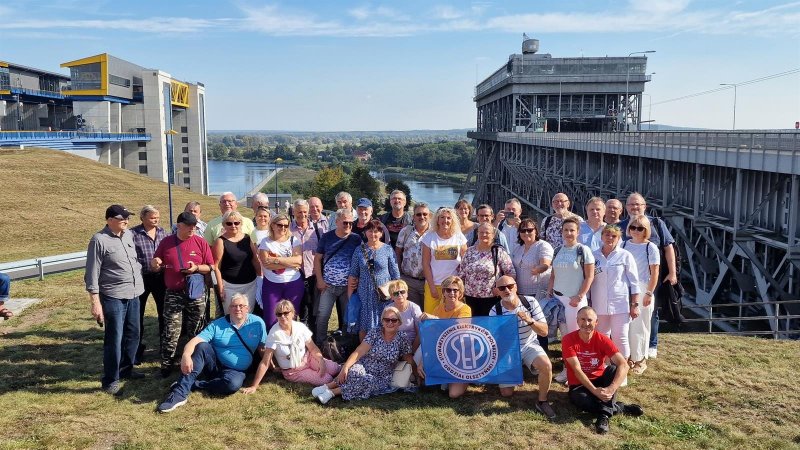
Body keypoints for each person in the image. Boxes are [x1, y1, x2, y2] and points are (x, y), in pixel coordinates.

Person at [156, 293, 267, 412]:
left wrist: (272, 365)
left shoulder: (258, 323)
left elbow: (263, 348)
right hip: (214, 365)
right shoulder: (217, 324)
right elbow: (195, 341)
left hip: (236, 371)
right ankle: (179, 393)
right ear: (229, 308)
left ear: (247, 308)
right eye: (234, 306)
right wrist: (186, 355)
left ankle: (195, 384)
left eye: (241, 306)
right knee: (201, 346)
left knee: (232, 385)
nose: (238, 309)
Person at [85, 204, 145, 394]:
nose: (126, 221)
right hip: (113, 296)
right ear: (109, 220)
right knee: (115, 338)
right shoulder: (99, 240)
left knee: (134, 334)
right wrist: (95, 302)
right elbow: (92, 273)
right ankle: (110, 379)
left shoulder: (128, 235)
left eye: (127, 218)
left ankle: (127, 369)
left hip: (134, 293)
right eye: (121, 218)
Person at [151, 211, 215, 377]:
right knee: (171, 330)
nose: (192, 229)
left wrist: (196, 268)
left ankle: (196, 363)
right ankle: (166, 365)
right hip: (174, 293)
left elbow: (210, 266)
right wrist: (156, 263)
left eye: (194, 226)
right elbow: (156, 263)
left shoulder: (200, 242)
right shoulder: (167, 242)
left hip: (196, 293)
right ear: (179, 226)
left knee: (197, 330)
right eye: (189, 226)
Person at [563, 307, 644, 434]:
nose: (586, 323)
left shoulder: (603, 339)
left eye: (590, 320)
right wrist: (594, 391)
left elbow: (624, 365)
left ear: (596, 322)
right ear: (577, 321)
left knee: (612, 369)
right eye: (582, 319)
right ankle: (620, 408)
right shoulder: (568, 339)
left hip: (600, 381)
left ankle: (603, 416)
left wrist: (611, 388)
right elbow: (577, 370)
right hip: (579, 385)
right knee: (579, 399)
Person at [619, 192, 678, 359]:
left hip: (650, 278)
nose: (635, 207)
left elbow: (668, 247)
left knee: (651, 313)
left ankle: (651, 345)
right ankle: (630, 349)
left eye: (638, 204)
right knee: (629, 314)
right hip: (628, 282)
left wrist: (672, 272)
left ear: (645, 206)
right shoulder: (621, 225)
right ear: (626, 207)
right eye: (631, 205)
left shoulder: (657, 223)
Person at [312, 306, 413, 404]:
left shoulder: (402, 338)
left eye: (394, 320)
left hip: (381, 376)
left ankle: (332, 392)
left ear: (399, 322)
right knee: (354, 373)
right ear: (382, 322)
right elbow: (359, 351)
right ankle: (329, 386)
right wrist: (345, 367)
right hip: (364, 365)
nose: (390, 322)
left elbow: (408, 357)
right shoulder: (375, 333)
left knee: (367, 381)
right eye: (387, 320)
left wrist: (417, 375)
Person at [488, 276, 556, 420]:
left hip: (529, 344)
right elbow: (492, 339)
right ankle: (514, 372)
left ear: (516, 287)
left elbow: (544, 331)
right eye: (502, 288)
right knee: (507, 393)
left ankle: (542, 401)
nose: (507, 290)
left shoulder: (530, 302)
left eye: (510, 286)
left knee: (547, 366)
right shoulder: (495, 310)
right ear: (497, 292)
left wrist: (530, 320)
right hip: (508, 350)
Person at [243, 300, 339, 392]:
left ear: (293, 313)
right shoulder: (274, 334)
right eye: (279, 314)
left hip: (308, 358)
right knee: (327, 379)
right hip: (293, 371)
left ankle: (348, 373)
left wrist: (321, 360)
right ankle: (340, 386)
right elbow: (265, 362)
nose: (283, 316)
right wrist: (254, 386)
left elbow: (313, 348)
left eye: (286, 313)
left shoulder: (300, 327)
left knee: (334, 368)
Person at [548, 216, 595, 383]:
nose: (568, 233)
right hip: (558, 299)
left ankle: (576, 372)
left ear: (577, 232)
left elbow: (589, 277)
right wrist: (549, 290)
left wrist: (580, 296)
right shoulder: (557, 250)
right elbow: (553, 274)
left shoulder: (583, 250)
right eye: (566, 230)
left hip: (574, 301)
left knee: (576, 337)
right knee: (564, 336)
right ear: (561, 232)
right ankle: (567, 369)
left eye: (572, 230)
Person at [590, 224, 641, 370]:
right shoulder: (593, 255)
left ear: (619, 238)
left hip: (620, 304)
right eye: (607, 235)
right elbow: (588, 279)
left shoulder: (625, 255)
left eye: (614, 236)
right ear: (602, 237)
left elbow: (634, 282)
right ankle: (604, 368)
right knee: (602, 337)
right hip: (598, 304)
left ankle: (622, 369)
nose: (610, 238)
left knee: (620, 337)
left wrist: (635, 304)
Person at [416, 275, 471, 399]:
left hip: (458, 351)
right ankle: (421, 376)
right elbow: (432, 337)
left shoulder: (465, 309)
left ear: (460, 293)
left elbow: (457, 329)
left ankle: (467, 378)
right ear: (443, 292)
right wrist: (422, 362)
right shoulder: (438, 308)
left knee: (453, 394)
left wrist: (435, 319)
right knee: (418, 356)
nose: (452, 293)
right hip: (440, 347)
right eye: (448, 290)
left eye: (455, 290)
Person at [314, 209, 363, 346]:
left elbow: (361, 261)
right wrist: (320, 280)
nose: (348, 225)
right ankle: (320, 344)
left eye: (350, 223)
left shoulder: (356, 239)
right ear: (336, 222)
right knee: (323, 316)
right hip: (328, 286)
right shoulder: (327, 237)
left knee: (348, 317)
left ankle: (345, 345)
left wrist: (357, 279)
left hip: (348, 287)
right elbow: (317, 259)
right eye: (345, 223)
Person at [348, 219, 401, 340]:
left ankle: (383, 351)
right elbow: (353, 274)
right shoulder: (359, 250)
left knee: (385, 322)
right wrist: (351, 298)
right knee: (364, 325)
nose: (373, 234)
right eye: (370, 231)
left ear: (381, 233)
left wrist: (395, 295)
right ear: (365, 233)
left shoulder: (388, 249)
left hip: (384, 294)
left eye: (376, 231)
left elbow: (396, 275)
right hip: (364, 293)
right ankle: (364, 353)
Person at [130, 205, 168, 364]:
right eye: (152, 217)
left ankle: (165, 349)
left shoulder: (163, 232)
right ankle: (136, 351)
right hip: (141, 278)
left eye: (157, 217)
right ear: (143, 218)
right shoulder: (133, 234)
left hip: (161, 278)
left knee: (164, 314)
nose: (156, 220)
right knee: (137, 315)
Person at [623, 216, 660, 374]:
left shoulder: (650, 247)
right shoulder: (623, 244)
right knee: (627, 325)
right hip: (625, 287)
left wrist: (649, 293)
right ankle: (629, 356)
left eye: (640, 228)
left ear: (646, 230)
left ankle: (640, 359)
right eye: (633, 227)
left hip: (643, 287)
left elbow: (654, 272)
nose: (636, 231)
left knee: (641, 325)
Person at [511, 218, 554, 349]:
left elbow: (546, 264)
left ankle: (542, 352)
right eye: (523, 230)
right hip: (520, 292)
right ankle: (526, 352)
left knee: (538, 322)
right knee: (523, 323)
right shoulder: (518, 248)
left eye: (530, 230)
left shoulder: (542, 245)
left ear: (536, 231)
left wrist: (538, 269)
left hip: (537, 291)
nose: (526, 233)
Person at [457, 223, 516, 316]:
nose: (484, 235)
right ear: (477, 234)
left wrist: (500, 289)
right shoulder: (469, 251)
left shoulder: (498, 251)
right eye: (481, 232)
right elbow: (462, 274)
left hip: (491, 298)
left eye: (487, 233)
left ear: (493, 235)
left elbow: (511, 273)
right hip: (470, 298)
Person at [258, 213, 303, 327]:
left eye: (286, 225)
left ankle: (290, 342)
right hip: (272, 285)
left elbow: (298, 261)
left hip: (293, 284)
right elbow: (266, 264)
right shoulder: (265, 242)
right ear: (272, 225)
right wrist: (290, 262)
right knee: (270, 319)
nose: (283, 228)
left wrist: (276, 260)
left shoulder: (294, 240)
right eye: (279, 225)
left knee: (290, 318)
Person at [212, 210, 260, 314]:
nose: (233, 226)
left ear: (241, 223)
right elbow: (216, 267)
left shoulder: (248, 238)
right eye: (229, 223)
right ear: (224, 225)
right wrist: (220, 288)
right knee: (232, 316)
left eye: (236, 223)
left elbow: (255, 260)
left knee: (247, 316)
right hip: (230, 286)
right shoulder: (220, 241)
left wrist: (261, 278)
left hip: (250, 284)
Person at [421, 207, 467, 313]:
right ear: (437, 220)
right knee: (431, 318)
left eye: (448, 218)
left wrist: (461, 286)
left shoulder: (459, 237)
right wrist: (432, 287)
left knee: (451, 318)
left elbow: (465, 263)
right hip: (434, 284)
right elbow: (425, 264)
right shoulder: (429, 237)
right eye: (442, 217)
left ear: (453, 220)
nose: (445, 221)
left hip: (453, 287)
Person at [291, 199, 322, 333]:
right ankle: (299, 336)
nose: (302, 215)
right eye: (299, 212)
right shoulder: (288, 229)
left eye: (304, 211)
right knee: (299, 308)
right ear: (293, 212)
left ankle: (313, 338)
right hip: (295, 275)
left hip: (313, 275)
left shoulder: (317, 229)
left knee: (314, 308)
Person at [395, 202, 431, 308]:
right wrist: (399, 275)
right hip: (409, 281)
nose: (422, 217)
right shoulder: (405, 231)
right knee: (413, 313)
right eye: (418, 214)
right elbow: (397, 253)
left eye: (425, 214)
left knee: (428, 313)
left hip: (428, 282)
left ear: (429, 216)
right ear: (413, 216)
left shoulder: (434, 233)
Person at [385, 280, 423, 356]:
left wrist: (412, 351)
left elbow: (420, 333)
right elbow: (386, 333)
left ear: (407, 294)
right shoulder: (388, 309)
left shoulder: (414, 308)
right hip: (394, 344)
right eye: (396, 293)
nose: (399, 295)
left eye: (402, 292)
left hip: (413, 344)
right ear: (391, 297)